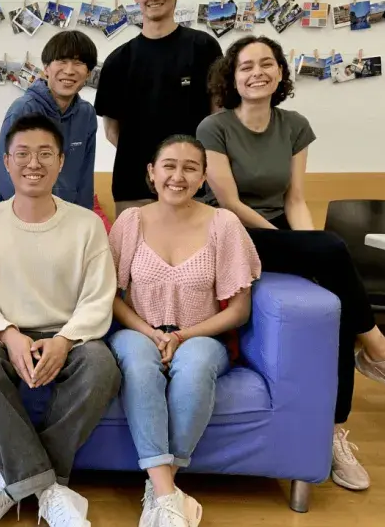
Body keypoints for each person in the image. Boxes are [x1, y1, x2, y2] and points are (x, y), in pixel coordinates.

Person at [196, 34, 385, 492]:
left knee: (332, 304)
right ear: (232, 78)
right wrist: (298, 247)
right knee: (328, 247)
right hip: (231, 232)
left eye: (266, 63)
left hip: (283, 232)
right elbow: (228, 202)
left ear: (280, 73)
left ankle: (331, 434)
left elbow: (294, 199)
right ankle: (381, 351)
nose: (257, 72)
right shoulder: (214, 128)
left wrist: (303, 243)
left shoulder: (294, 124)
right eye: (246, 66)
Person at [0, 113, 121, 527]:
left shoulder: (86, 225)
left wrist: (65, 340)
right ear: (7, 161)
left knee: (102, 366)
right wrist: (9, 335)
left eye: (45, 153)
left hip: (68, 337)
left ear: (62, 161)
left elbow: (98, 298)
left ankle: (12, 483)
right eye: (23, 154)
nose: (34, 163)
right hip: (1, 335)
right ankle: (47, 488)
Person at [107, 135, 260, 527]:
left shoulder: (223, 224)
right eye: (169, 166)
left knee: (193, 371)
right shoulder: (130, 222)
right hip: (137, 331)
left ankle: (161, 491)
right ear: (151, 173)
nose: (178, 176)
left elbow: (239, 310)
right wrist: (151, 332)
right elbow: (108, 296)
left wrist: (181, 336)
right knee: (139, 368)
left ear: (203, 177)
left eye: (190, 167)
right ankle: (167, 496)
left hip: (202, 335)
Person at [95, 0, 223, 217]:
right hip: (133, 188)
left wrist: (184, 169)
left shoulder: (203, 48)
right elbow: (112, 132)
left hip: (196, 188)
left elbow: (217, 118)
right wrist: (157, 167)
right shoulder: (118, 61)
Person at [0, 30, 99, 209]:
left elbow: (85, 177)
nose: (69, 71)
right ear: (46, 67)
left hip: (68, 218)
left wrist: (84, 219)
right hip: (26, 216)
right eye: (62, 61)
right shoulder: (23, 109)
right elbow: (7, 175)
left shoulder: (87, 114)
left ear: (88, 73)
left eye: (79, 63)